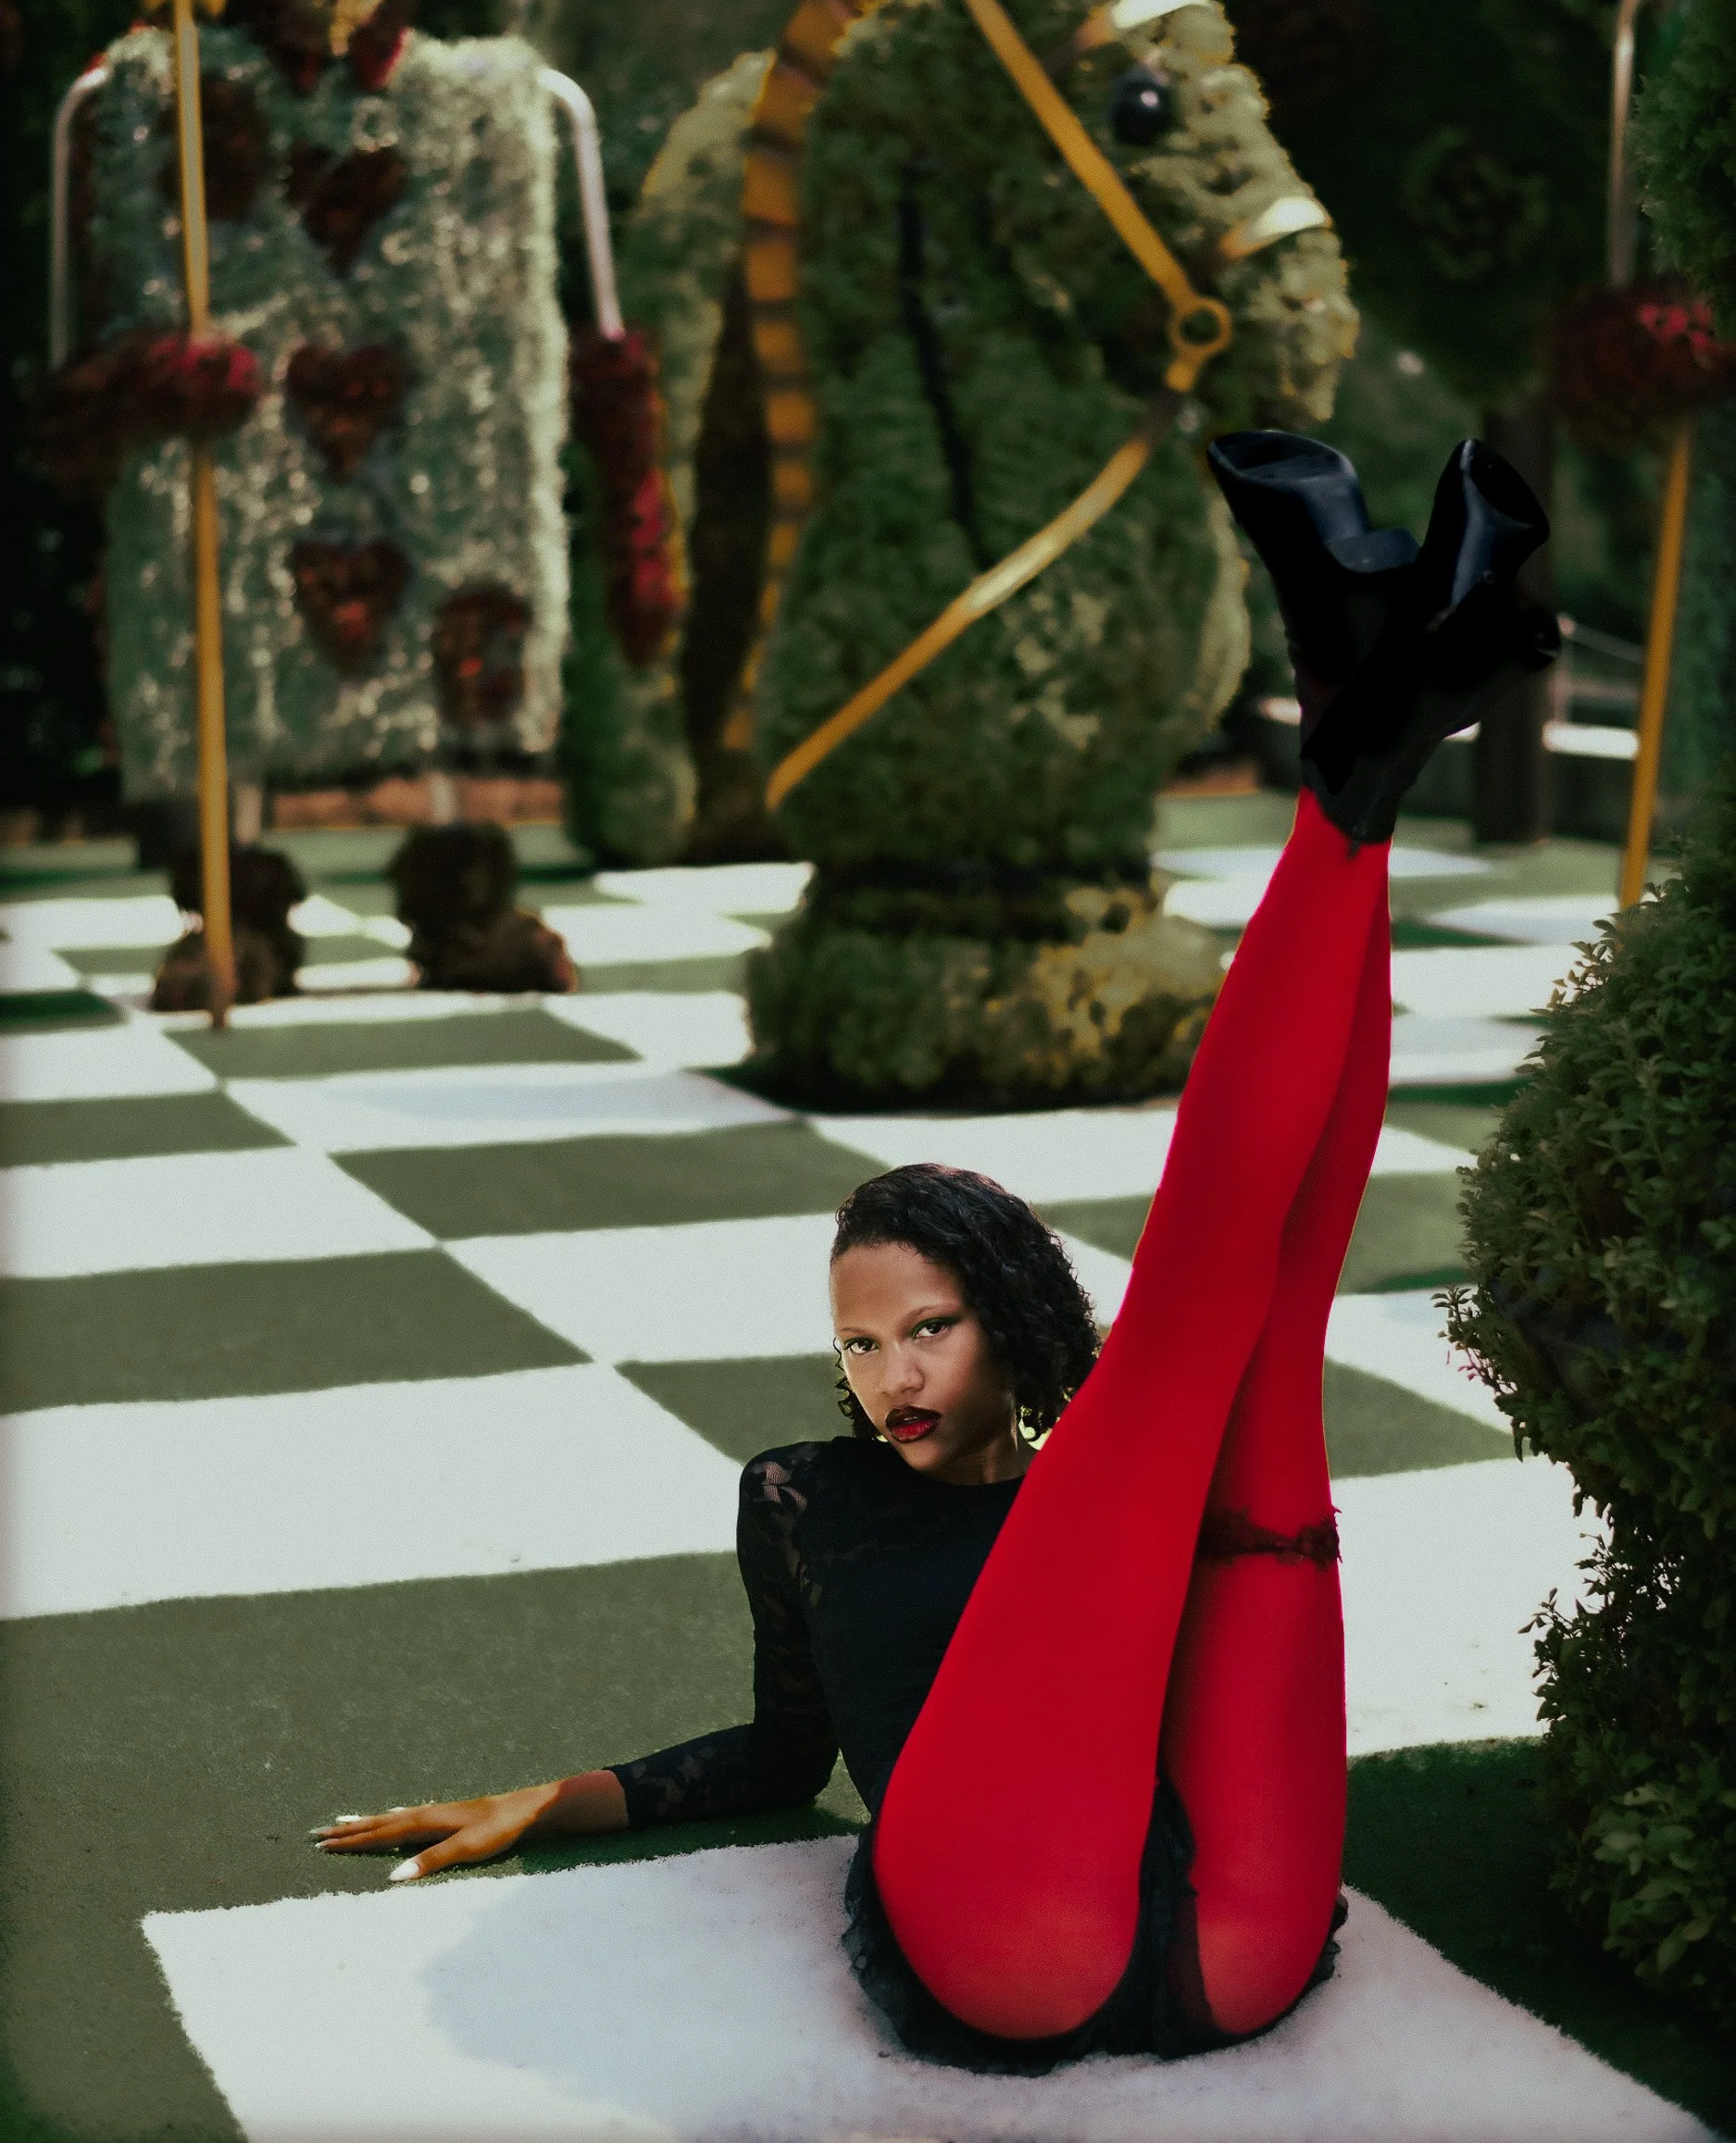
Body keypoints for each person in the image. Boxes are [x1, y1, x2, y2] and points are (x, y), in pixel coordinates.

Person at [312, 430, 1557, 2068]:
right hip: (1015, 1937)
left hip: (1229, 1931)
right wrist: (564, 1798)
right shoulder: (802, 1499)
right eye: (858, 1341)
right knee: (1231, 1344)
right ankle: (1357, 737)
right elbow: (781, 1754)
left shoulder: (1080, 1484)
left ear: (1011, 1319)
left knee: (1250, 1331)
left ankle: (1363, 752)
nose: (887, 1373)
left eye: (929, 1328)